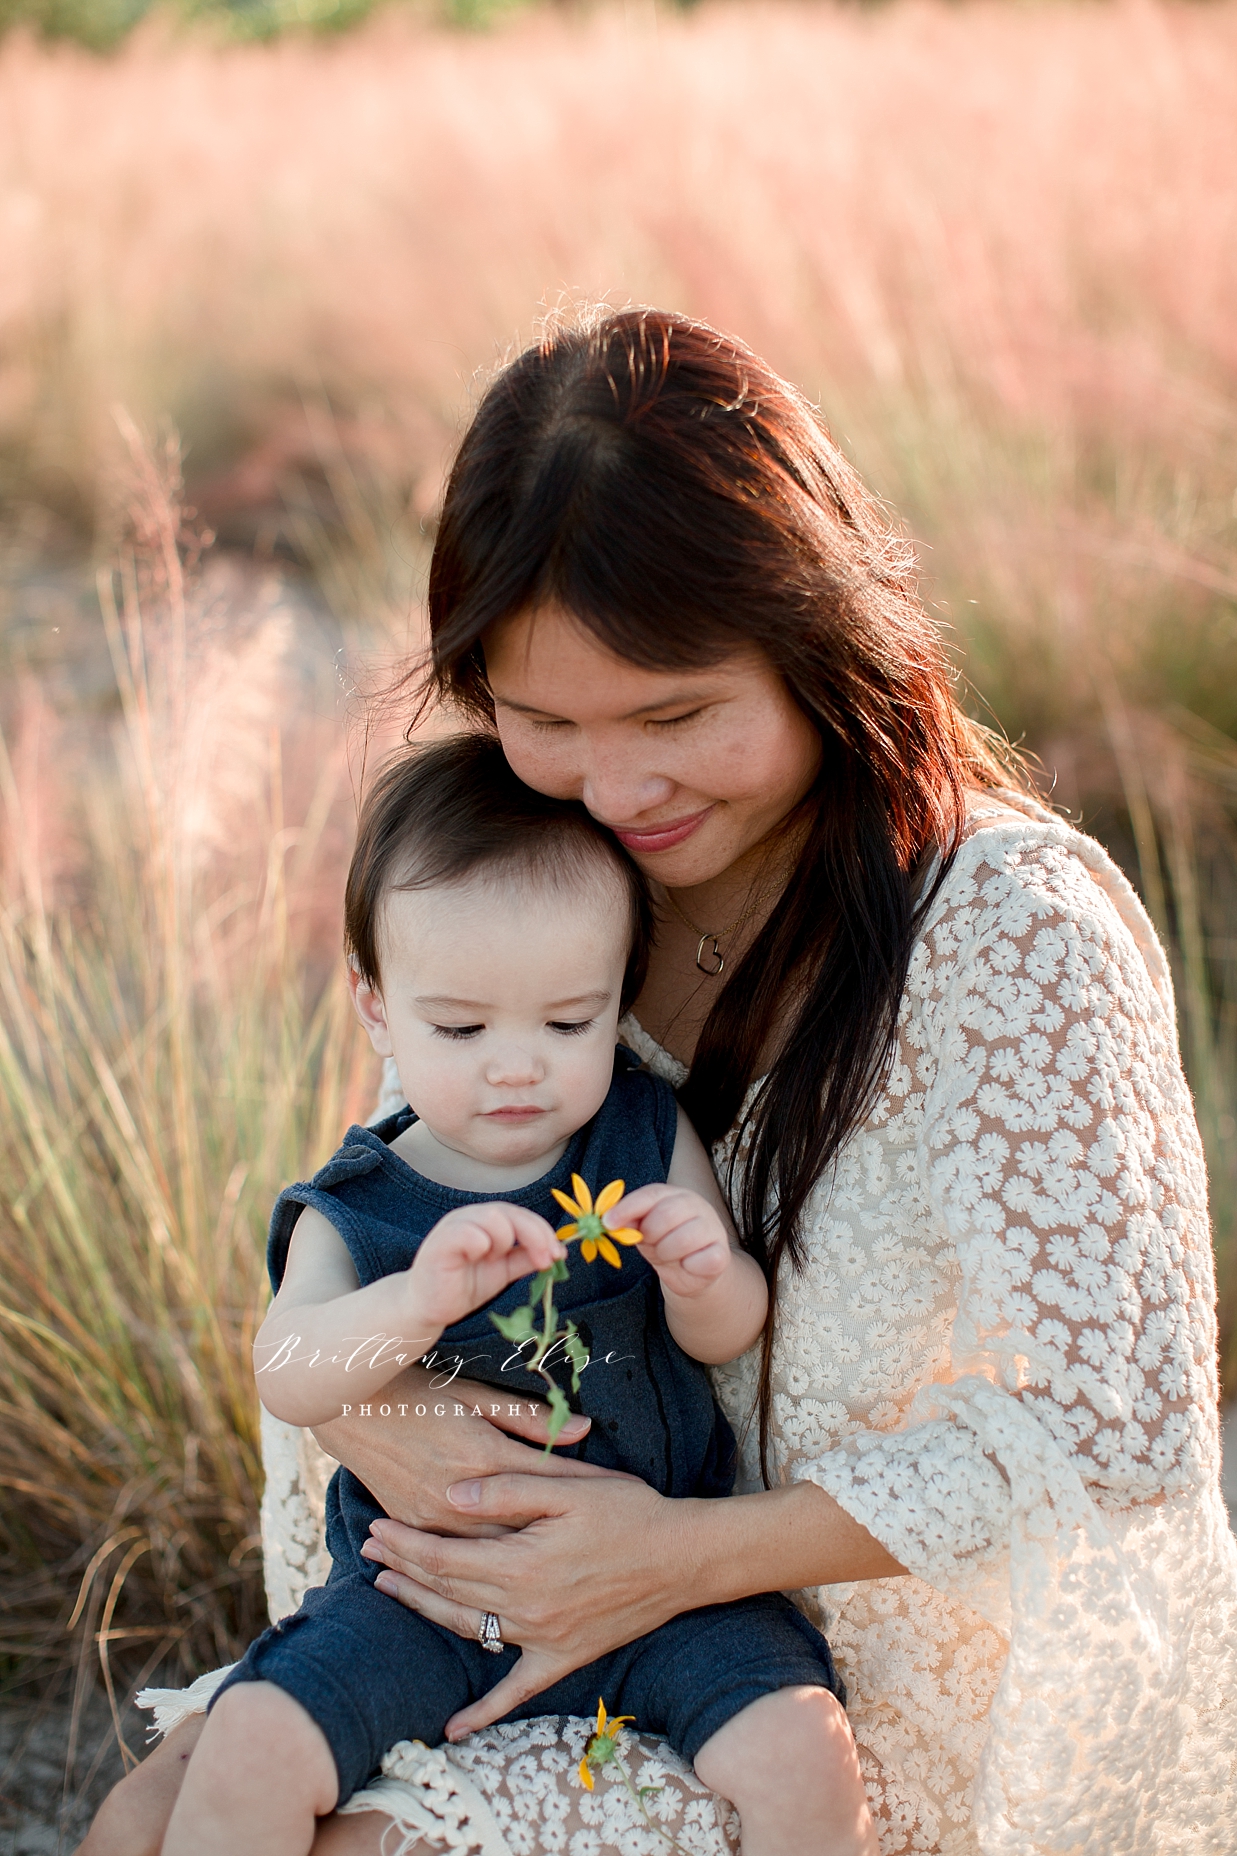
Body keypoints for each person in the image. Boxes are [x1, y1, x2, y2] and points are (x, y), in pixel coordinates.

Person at [81, 307, 1237, 1856]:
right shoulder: (545, 883)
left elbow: (1122, 1424)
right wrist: (388, 1421)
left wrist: (673, 1559)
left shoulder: (1013, 933)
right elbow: (386, 1207)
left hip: (859, 1686)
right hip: (522, 1599)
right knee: (149, 1814)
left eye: (677, 716)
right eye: (543, 721)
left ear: (820, 642)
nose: (616, 788)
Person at [158, 732, 873, 1856]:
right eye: (461, 1026)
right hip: (428, 1595)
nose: (516, 1065)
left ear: (616, 999)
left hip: (662, 1584)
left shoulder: (639, 1129)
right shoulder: (358, 1202)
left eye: (566, 1020)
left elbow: (731, 1330)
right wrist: (411, 1305)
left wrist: (703, 1272)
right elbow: (286, 1370)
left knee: (803, 1750)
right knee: (252, 1737)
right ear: (376, 1004)